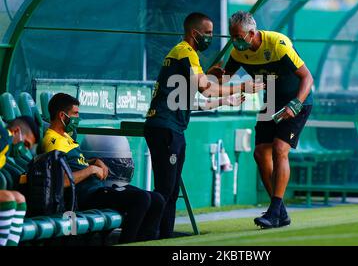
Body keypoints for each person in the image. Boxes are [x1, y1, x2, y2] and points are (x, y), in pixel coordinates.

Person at [144, 12, 264, 239]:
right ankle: (149, 235)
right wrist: (240, 88)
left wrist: (223, 99)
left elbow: (193, 98)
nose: (210, 37)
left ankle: (164, 235)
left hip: (172, 128)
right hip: (165, 129)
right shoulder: (185, 51)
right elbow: (205, 88)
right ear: (194, 33)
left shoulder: (186, 57)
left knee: (171, 190)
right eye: (208, 33)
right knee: (165, 190)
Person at [217, 11, 314, 228]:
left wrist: (295, 104)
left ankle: (273, 211)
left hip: (297, 101)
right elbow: (220, 82)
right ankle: (280, 212)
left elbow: (307, 77)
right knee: (261, 153)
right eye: (232, 37)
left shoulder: (278, 43)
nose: (235, 41)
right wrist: (215, 75)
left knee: (280, 149)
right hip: (270, 102)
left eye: (238, 37)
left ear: (252, 34)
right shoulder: (238, 52)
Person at [41, 93, 165, 244]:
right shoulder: (52, 141)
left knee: (157, 199)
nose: (78, 118)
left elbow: (73, 163)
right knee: (141, 199)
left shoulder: (66, 137)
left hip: (98, 190)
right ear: (62, 115)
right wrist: (91, 170)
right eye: (75, 113)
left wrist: (94, 161)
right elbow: (62, 181)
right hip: (85, 196)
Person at [0, 116, 40, 246]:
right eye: (26, 144)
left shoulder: (6, 148)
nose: (25, 150)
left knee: (19, 198)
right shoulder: (4, 137)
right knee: (8, 198)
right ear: (16, 131)